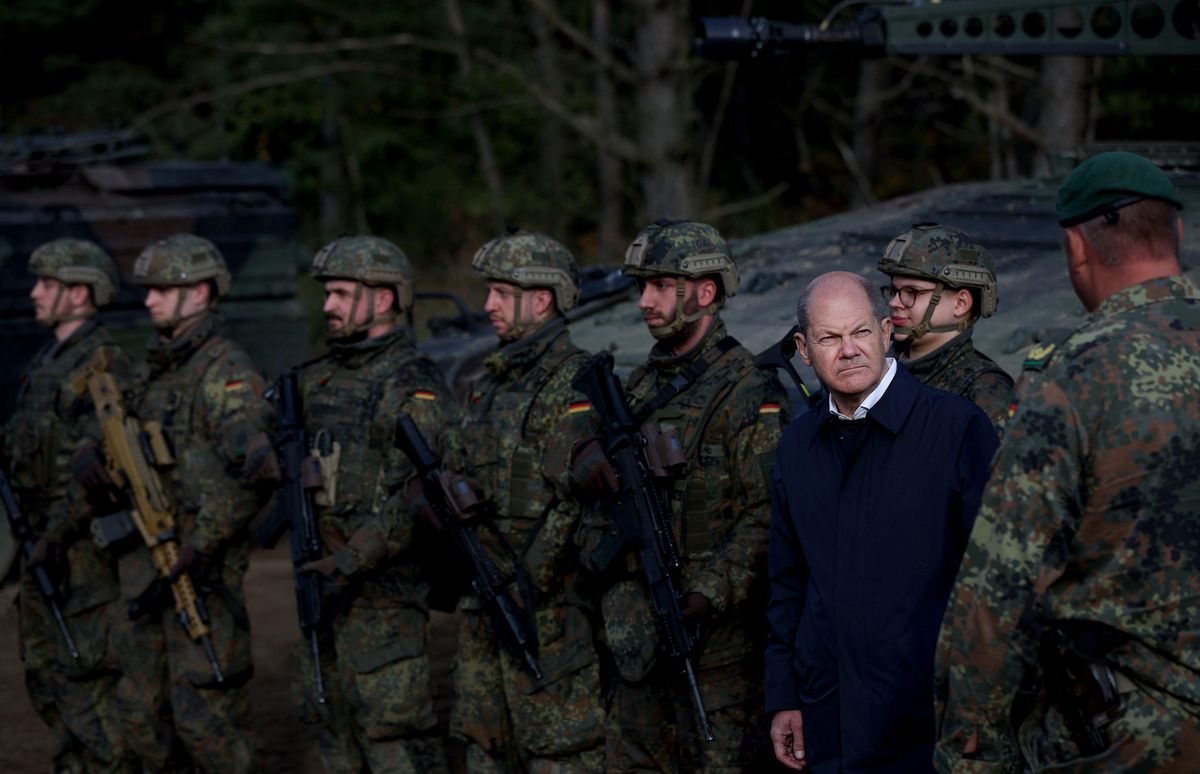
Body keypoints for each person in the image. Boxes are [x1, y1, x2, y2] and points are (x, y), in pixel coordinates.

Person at [935, 152, 1200, 771]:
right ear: (1179, 233)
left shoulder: (1074, 375)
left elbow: (1001, 581)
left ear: (1076, 246)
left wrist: (968, 734)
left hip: (1136, 737)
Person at [767, 271, 997, 772]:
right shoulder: (796, 447)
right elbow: (788, 586)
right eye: (830, 338)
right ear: (804, 349)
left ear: (886, 331)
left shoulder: (957, 428)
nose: (848, 350)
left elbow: (995, 584)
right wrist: (784, 696)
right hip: (828, 720)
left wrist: (983, 702)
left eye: (861, 332)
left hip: (927, 723)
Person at [590, 219, 790, 771]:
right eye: (640, 287)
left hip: (717, 649)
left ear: (703, 293)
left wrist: (706, 593)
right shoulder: (640, 386)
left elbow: (767, 515)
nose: (644, 301)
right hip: (640, 637)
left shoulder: (747, 390)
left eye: (659, 286)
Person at [289, 235, 459, 773]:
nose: (328, 306)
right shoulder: (316, 380)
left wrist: (349, 559)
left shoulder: (412, 382)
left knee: (397, 745)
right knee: (334, 740)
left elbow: (414, 497)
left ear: (382, 300)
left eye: (341, 293)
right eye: (328, 294)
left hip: (383, 602)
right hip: (325, 594)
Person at [110, 233, 278, 772]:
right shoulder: (156, 368)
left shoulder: (224, 370)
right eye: (149, 290)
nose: (149, 300)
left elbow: (255, 472)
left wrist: (199, 545)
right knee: (143, 715)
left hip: (198, 576)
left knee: (208, 722)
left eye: (163, 289)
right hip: (148, 567)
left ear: (201, 294)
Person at [450, 230, 606, 771]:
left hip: (549, 617)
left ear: (541, 300)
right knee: (485, 751)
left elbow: (572, 505)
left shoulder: (576, 381)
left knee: (559, 754)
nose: (487, 305)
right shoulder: (485, 383)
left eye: (500, 291)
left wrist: (520, 582)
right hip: (484, 609)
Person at [2, 238, 136, 772]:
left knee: (87, 683)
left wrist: (54, 537)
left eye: (48, 285)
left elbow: (99, 467)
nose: (34, 293)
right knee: (47, 676)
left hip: (80, 557)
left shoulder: (101, 363)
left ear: (80, 292)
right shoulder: (49, 362)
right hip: (42, 546)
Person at [878, 223, 1014, 432]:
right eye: (894, 291)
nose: (895, 303)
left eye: (912, 292)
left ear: (960, 304)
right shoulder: (878, 367)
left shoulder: (984, 391)